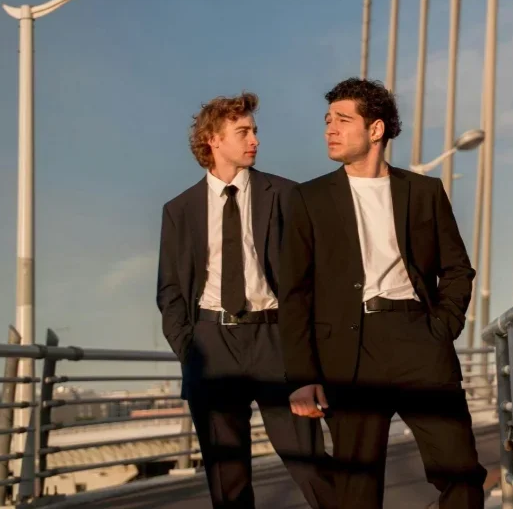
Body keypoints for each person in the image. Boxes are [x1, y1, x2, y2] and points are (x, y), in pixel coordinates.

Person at [278, 78, 488, 509]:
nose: (329, 130)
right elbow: (295, 292)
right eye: (327, 121)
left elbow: (457, 269)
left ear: (376, 130)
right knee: (357, 490)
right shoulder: (309, 198)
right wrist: (302, 376)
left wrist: (441, 327)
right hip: (348, 352)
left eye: (342, 119)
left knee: (462, 472)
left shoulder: (423, 192)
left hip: (418, 340)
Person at [156, 92, 336, 509]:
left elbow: (313, 277)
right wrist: (191, 350)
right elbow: (170, 289)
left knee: (309, 462)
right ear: (213, 140)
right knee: (228, 478)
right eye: (243, 131)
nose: (254, 139)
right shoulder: (179, 210)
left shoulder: (288, 195)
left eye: (254, 130)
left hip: (276, 340)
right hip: (212, 345)